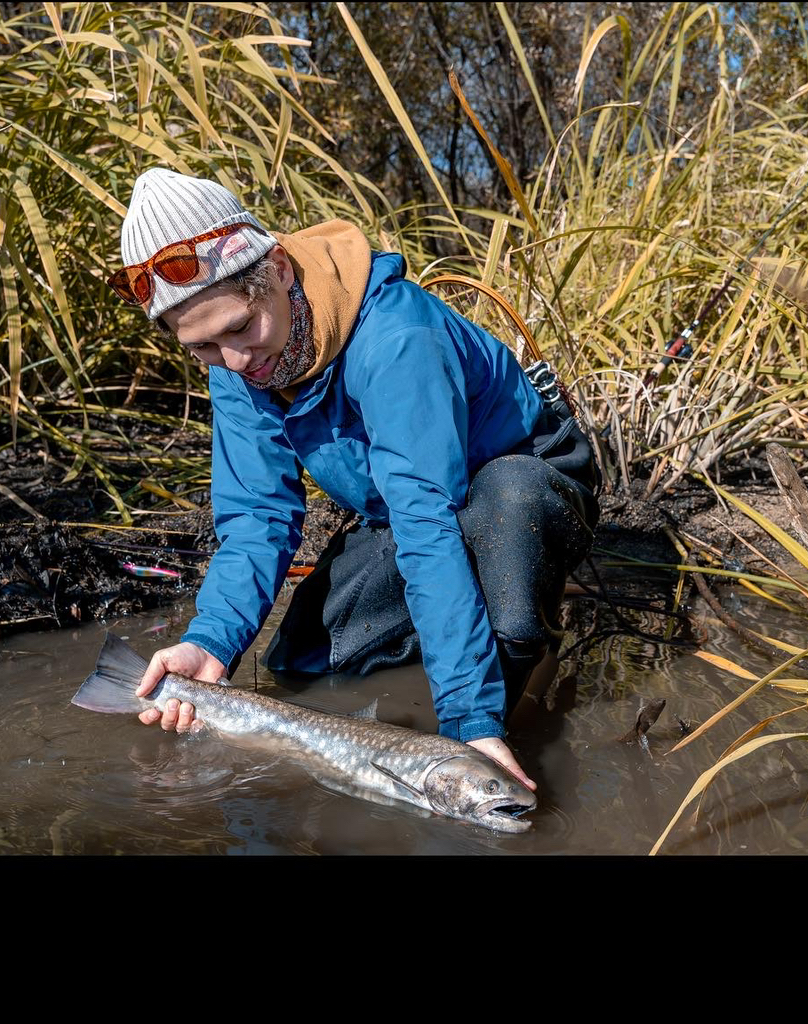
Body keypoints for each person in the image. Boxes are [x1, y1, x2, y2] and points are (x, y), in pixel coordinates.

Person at [107, 168, 599, 790]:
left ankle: (520, 642)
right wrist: (210, 644)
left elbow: (427, 520)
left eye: (239, 328)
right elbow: (259, 519)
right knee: (303, 666)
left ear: (279, 270)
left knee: (509, 538)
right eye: (202, 348)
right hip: (402, 509)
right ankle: (461, 637)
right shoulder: (237, 370)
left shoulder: (396, 338)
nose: (234, 361)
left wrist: (470, 727)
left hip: (519, 479)